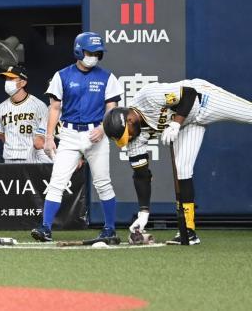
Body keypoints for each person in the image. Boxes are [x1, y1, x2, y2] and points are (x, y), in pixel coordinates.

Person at [103, 80, 252, 245]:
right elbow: (141, 175)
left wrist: (174, 124)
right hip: (187, 124)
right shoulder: (134, 140)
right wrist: (143, 212)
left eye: (127, 134)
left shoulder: (147, 96)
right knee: (182, 169)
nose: (128, 139)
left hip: (204, 101)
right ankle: (188, 231)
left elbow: (189, 93)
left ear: (129, 119)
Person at [30, 32, 122, 244]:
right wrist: (49, 136)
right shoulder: (61, 75)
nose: (95, 56)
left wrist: (103, 128)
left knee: (103, 183)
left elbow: (112, 108)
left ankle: (110, 229)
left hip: (95, 134)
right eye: (91, 52)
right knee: (57, 182)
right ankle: (45, 228)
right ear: (79, 51)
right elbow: (54, 108)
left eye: (98, 53)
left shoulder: (107, 77)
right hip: (69, 134)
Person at [0, 65, 52, 164]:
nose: (7, 82)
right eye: (6, 79)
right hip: (8, 159)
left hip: (31, 158)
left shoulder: (39, 105)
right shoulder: (1, 107)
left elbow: (43, 137)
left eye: (12, 78)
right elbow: (2, 135)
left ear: (23, 82)